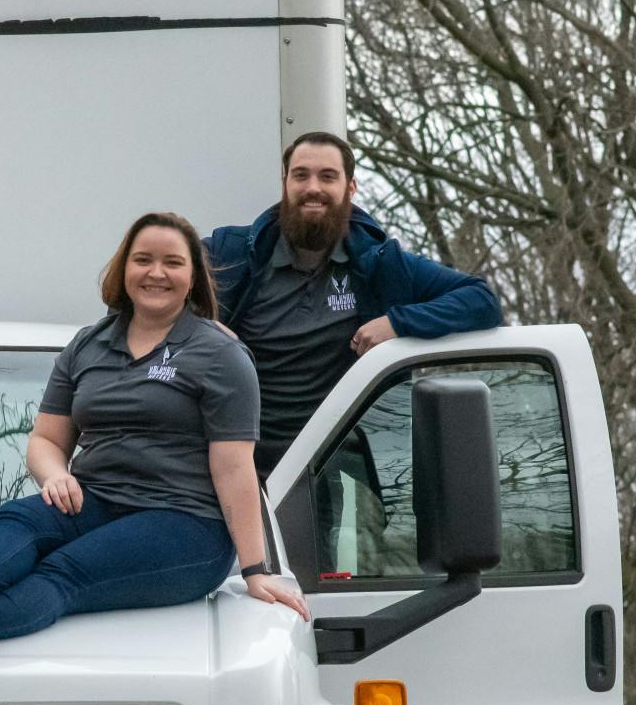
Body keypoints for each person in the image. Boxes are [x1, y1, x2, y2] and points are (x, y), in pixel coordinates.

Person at [0, 213, 309, 656]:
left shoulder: (220, 353)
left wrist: (256, 569)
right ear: (123, 269)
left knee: (63, 572)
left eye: (172, 262)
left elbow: (234, 466)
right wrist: (54, 475)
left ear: (193, 278)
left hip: (185, 523)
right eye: (143, 259)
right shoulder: (87, 345)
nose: (156, 272)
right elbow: (46, 441)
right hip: (96, 501)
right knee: (19, 516)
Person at [204, 131, 503, 476]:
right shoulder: (231, 253)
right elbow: (151, 290)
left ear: (350, 188)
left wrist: (397, 323)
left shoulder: (381, 264)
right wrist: (204, 328)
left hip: (326, 466)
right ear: (285, 183)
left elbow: (481, 300)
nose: (313, 187)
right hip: (232, 459)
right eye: (301, 175)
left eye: (327, 176)